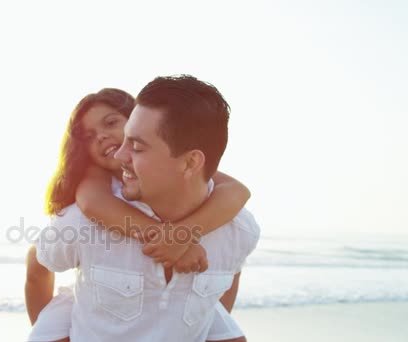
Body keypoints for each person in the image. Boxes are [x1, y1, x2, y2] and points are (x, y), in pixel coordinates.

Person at [25, 76, 260, 341]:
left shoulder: (238, 226)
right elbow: (91, 206)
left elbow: (237, 194)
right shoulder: (87, 201)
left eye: (134, 143)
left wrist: (183, 233)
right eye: (89, 137)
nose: (116, 151)